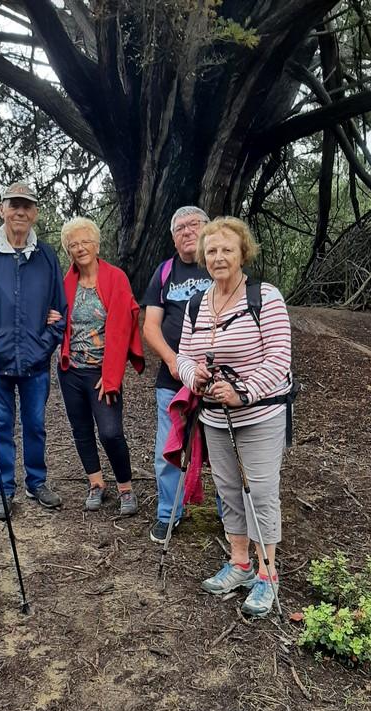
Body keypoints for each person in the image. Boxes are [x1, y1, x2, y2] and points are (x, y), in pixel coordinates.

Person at [177, 217, 292, 617]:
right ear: (202, 257)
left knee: (260, 492)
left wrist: (244, 392)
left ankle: (267, 574)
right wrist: (196, 378)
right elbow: (184, 356)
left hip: (259, 414)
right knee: (228, 491)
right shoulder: (197, 302)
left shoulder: (266, 297)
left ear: (243, 252)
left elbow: (280, 358)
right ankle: (240, 564)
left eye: (227, 249)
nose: (218, 257)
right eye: (211, 251)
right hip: (213, 415)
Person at [0, 182, 67, 518]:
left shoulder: (46, 255)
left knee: (35, 424)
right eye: (14, 205)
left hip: (35, 362)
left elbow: (59, 310)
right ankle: (4, 490)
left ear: (35, 213)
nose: (20, 211)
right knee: (0, 428)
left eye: (27, 206)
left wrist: (45, 343)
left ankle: (37, 483)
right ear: (2, 210)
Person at [57, 217, 144, 515]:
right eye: (73, 244)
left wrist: (111, 377)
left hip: (101, 370)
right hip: (70, 371)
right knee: (81, 428)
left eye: (85, 242)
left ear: (96, 244)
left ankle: (125, 488)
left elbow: (121, 330)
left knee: (110, 431)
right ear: (68, 250)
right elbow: (55, 315)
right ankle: (96, 483)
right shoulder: (65, 281)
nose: (80, 248)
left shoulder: (115, 277)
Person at [141, 205, 212, 543]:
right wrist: (172, 361)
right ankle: (168, 514)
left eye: (194, 224)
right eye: (180, 227)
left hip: (218, 380)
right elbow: (150, 326)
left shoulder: (220, 264)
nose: (187, 231)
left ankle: (234, 521)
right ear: (172, 237)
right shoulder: (165, 272)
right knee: (167, 451)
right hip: (172, 380)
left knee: (225, 452)